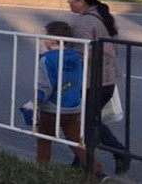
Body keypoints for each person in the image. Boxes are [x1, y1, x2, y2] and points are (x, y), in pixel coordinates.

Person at [68, 0, 131, 175]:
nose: (68, 2)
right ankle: (80, 161)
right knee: (88, 121)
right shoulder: (102, 15)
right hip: (107, 80)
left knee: (87, 123)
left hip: (92, 82)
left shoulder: (83, 23)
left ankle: (119, 153)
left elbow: (81, 55)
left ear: (82, 1)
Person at [31, 21, 104, 177]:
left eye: (46, 35)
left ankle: (41, 171)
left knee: (44, 139)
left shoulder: (47, 59)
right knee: (77, 143)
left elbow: (46, 86)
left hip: (51, 108)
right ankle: (97, 172)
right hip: (73, 107)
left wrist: (35, 103)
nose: (44, 39)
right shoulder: (77, 58)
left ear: (52, 39)